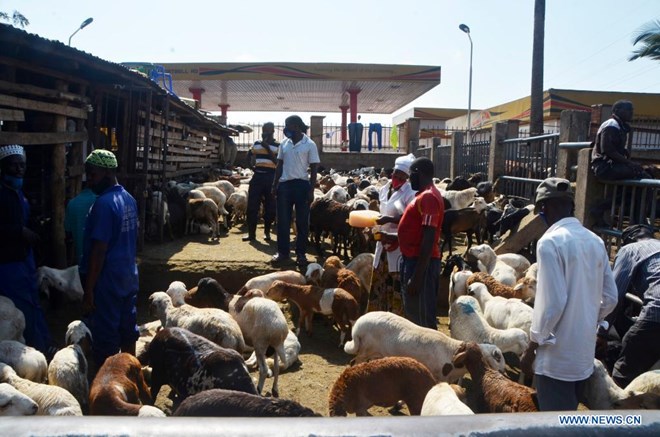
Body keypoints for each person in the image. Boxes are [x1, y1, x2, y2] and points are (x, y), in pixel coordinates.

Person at [521, 177, 618, 411]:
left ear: (544, 208)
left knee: (556, 426)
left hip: (556, 361)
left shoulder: (549, 243)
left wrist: (532, 345)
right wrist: (586, 317)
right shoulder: (595, 241)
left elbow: (553, 304)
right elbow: (611, 296)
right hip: (583, 357)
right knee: (570, 418)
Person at [79, 149, 139, 370]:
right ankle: (132, 374)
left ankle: (108, 383)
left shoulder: (103, 204)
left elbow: (98, 251)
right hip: (128, 278)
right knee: (128, 331)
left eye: (92, 173)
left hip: (107, 281)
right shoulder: (129, 199)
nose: (89, 179)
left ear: (106, 172)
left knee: (105, 337)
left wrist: (89, 290)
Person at [0, 144, 54, 356]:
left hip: (25, 258)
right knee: (22, 306)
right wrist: (19, 231)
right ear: (3, 167)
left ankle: (45, 342)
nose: (19, 169)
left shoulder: (19, 193)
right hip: (8, 262)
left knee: (33, 301)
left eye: (22, 165)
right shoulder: (2, 194)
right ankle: (37, 349)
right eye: (14, 165)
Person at [378, 157, 444, 329]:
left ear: (418, 174)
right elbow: (417, 233)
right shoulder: (423, 195)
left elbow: (428, 238)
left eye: (410, 176)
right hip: (413, 260)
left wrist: (417, 277)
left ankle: (427, 354)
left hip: (420, 264)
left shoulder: (428, 197)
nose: (408, 180)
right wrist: (391, 237)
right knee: (414, 316)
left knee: (421, 320)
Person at [605, 224, 660, 388]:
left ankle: (619, 408)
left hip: (656, 313)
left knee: (625, 370)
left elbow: (614, 295)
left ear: (627, 241)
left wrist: (601, 332)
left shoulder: (630, 250)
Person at [367, 153, 416, 314]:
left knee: (395, 281)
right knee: (379, 280)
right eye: (396, 174)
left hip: (398, 243)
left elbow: (411, 218)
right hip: (381, 241)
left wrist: (390, 219)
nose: (397, 178)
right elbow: (381, 213)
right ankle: (377, 317)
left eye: (402, 176)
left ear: (407, 177)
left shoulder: (410, 193)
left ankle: (395, 320)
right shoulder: (384, 189)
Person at [271, 115, 320, 268]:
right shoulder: (284, 144)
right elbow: (279, 165)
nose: (286, 129)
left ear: (297, 127)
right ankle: (283, 252)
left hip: (302, 186)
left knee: (302, 222)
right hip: (285, 186)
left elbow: (314, 169)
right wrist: (274, 185)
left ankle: (301, 254)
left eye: (288, 125)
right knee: (283, 221)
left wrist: (311, 190)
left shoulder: (310, 144)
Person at [591, 100, 650, 181]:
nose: (631, 113)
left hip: (611, 166)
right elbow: (608, 150)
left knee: (647, 171)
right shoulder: (611, 125)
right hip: (604, 167)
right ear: (617, 111)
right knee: (642, 174)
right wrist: (629, 163)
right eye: (628, 110)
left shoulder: (619, 126)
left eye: (632, 110)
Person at [243, 122, 279, 242]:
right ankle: (251, 234)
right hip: (257, 177)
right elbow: (248, 155)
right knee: (252, 206)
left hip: (271, 178)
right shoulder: (257, 144)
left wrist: (267, 148)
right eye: (263, 130)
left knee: (270, 206)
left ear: (273, 131)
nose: (265, 133)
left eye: (267, 131)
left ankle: (267, 232)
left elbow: (277, 163)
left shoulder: (278, 145)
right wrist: (252, 167)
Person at [64, 185, 97, 265]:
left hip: (81, 258)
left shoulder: (72, 203)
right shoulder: (99, 200)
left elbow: (68, 229)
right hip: (99, 258)